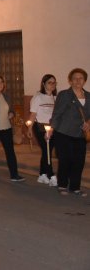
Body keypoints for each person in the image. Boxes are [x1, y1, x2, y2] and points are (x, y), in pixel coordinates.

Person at [47, 68, 90, 197]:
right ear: (70, 81)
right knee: (65, 159)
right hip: (63, 132)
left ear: (85, 80)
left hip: (80, 134)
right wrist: (51, 129)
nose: (78, 80)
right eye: (75, 78)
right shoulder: (64, 95)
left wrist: (89, 123)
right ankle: (62, 184)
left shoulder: (89, 96)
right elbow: (57, 113)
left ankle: (75, 187)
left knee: (79, 161)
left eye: (81, 78)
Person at [26, 74, 58, 186]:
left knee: (47, 151)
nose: (52, 84)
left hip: (52, 128)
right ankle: (51, 175)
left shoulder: (55, 98)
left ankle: (42, 174)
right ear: (43, 84)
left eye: (54, 82)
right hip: (40, 127)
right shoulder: (38, 97)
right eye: (50, 82)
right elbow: (33, 114)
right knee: (46, 149)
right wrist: (29, 129)